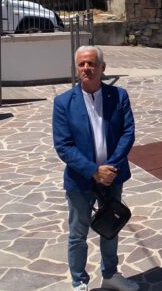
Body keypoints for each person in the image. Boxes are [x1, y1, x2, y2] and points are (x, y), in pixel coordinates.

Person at [52, 46, 139, 291]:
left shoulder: (118, 95)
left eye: (91, 63)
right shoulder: (63, 103)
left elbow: (127, 133)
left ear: (102, 67)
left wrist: (110, 168)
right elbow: (63, 145)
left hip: (113, 176)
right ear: (76, 68)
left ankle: (110, 274)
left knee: (110, 227)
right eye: (81, 64)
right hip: (80, 180)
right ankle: (79, 281)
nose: (86, 68)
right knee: (78, 233)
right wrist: (93, 170)